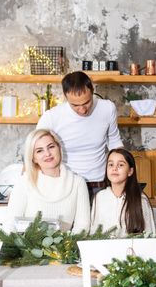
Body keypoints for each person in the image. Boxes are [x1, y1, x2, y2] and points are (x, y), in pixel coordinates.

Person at [36, 71, 124, 204]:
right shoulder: (52, 117)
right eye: (75, 105)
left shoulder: (107, 108)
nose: (82, 110)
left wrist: (124, 176)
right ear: (66, 97)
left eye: (87, 102)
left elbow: (115, 142)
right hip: (66, 184)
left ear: (92, 91)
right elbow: (34, 149)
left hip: (99, 184)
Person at [6, 129, 90, 233]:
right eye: (39, 150)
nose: (47, 153)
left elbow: (83, 227)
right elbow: (10, 225)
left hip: (66, 247)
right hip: (27, 248)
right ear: (34, 158)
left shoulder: (78, 183)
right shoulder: (24, 182)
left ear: (59, 148)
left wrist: (65, 247)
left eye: (51, 147)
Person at [90, 148, 156, 237]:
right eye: (110, 164)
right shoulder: (99, 197)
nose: (114, 168)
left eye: (120, 165)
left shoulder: (140, 199)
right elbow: (93, 232)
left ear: (130, 171)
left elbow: (150, 234)